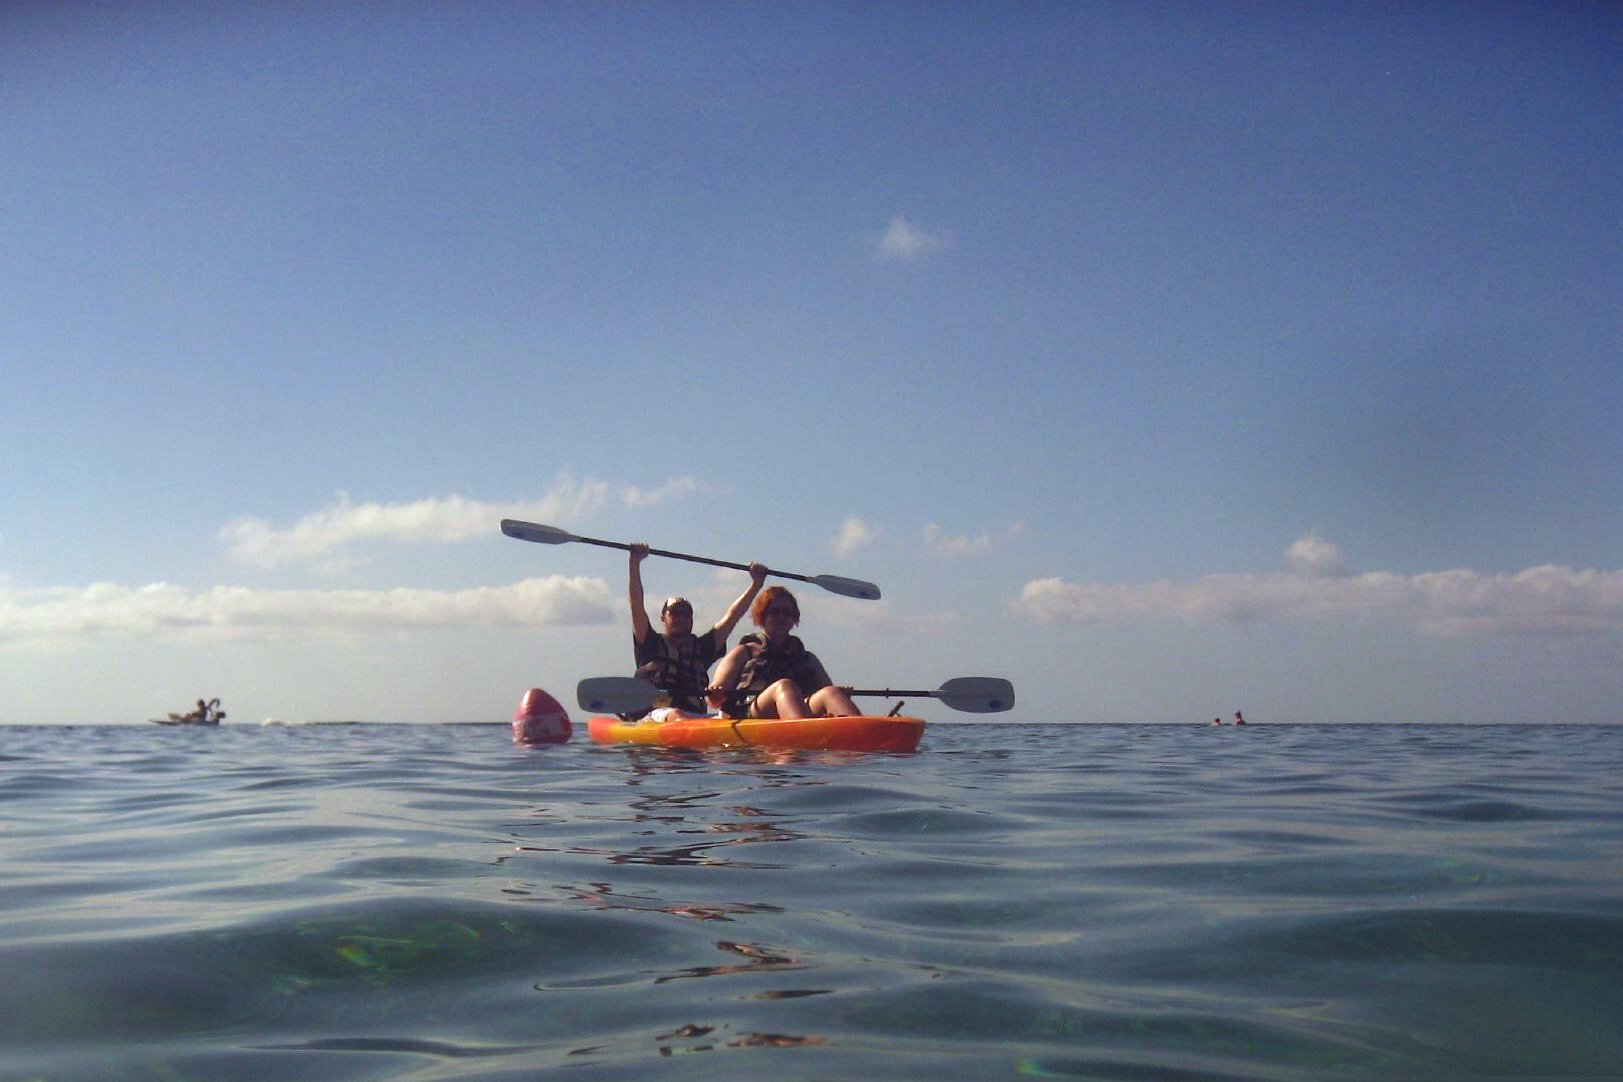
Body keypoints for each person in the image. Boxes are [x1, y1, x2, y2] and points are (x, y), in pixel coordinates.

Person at [629, 543, 767, 714]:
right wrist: (634, 563)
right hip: (656, 716)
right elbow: (636, 603)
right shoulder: (649, 642)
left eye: (686, 614)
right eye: (675, 613)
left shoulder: (702, 648)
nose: (681, 618)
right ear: (663, 618)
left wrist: (756, 585)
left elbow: (733, 616)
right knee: (675, 714)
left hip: (695, 717)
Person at [707, 585, 859, 719]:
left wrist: (842, 693)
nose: (781, 617)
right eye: (774, 612)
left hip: (801, 710)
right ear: (762, 615)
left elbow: (825, 690)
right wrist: (716, 695)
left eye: (787, 613)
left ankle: (864, 732)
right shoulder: (743, 652)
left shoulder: (808, 658)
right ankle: (804, 734)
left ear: (794, 619)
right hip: (752, 712)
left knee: (831, 693)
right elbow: (713, 700)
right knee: (785, 686)